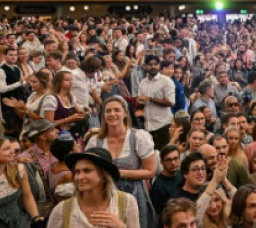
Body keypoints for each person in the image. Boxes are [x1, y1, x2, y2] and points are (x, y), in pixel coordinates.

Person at [85, 95, 158, 228]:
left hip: (134, 194)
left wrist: (120, 173)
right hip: (103, 195)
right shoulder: (95, 141)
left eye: (117, 110)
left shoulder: (138, 137)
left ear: (125, 113)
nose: (112, 114)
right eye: (108, 111)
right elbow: (87, 169)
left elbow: (150, 171)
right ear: (103, 115)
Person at [47, 147, 140, 228]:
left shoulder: (126, 202)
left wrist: (120, 226)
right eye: (77, 172)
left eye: (87, 171)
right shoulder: (62, 210)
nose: (79, 177)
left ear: (103, 174)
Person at [137, 55, 176, 150]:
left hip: (163, 127)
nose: (153, 67)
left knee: (163, 155)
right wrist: (139, 103)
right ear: (145, 66)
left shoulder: (166, 81)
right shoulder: (143, 83)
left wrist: (150, 99)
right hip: (147, 128)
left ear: (159, 65)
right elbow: (141, 102)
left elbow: (170, 102)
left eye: (155, 64)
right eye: (150, 64)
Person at [151, 144, 182, 215]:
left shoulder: (181, 174)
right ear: (162, 162)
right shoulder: (158, 186)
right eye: (169, 160)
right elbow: (159, 214)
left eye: (175, 158)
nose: (173, 163)